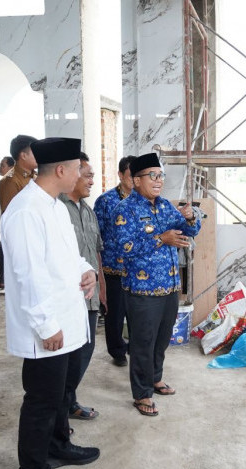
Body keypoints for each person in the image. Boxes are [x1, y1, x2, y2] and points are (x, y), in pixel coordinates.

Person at [1, 137, 99, 469]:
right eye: (77, 167)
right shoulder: (27, 210)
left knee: (61, 393)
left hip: (66, 318)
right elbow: (28, 275)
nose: (81, 174)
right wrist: (46, 325)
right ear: (61, 170)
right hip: (47, 326)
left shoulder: (54, 206)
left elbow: (65, 256)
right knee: (41, 400)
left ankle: (59, 446)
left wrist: (86, 269)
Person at [112, 152, 201, 417]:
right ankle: (141, 394)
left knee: (162, 340)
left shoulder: (164, 206)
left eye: (161, 175)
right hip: (142, 291)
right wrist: (161, 239)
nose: (158, 180)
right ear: (135, 180)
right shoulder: (124, 210)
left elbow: (188, 232)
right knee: (142, 343)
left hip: (170, 287)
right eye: (152, 175)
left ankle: (155, 377)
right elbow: (124, 248)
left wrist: (189, 218)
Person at [58, 152, 104, 421]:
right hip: (69, 297)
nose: (90, 182)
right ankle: (60, 412)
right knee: (66, 358)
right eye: (86, 175)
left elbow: (96, 254)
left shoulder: (88, 211)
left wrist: (103, 292)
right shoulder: (58, 209)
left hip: (91, 296)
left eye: (92, 177)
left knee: (83, 354)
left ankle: (69, 401)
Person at [93, 155, 135, 366]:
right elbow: (95, 236)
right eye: (130, 176)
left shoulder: (142, 200)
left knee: (137, 313)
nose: (134, 181)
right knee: (115, 314)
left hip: (137, 269)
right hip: (113, 269)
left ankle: (135, 348)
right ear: (120, 175)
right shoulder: (106, 201)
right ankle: (117, 351)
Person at [0, 136, 37, 290]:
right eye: (35, 152)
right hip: (23, 240)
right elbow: (13, 219)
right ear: (23, 155)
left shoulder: (35, 177)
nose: (39, 155)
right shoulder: (10, 181)